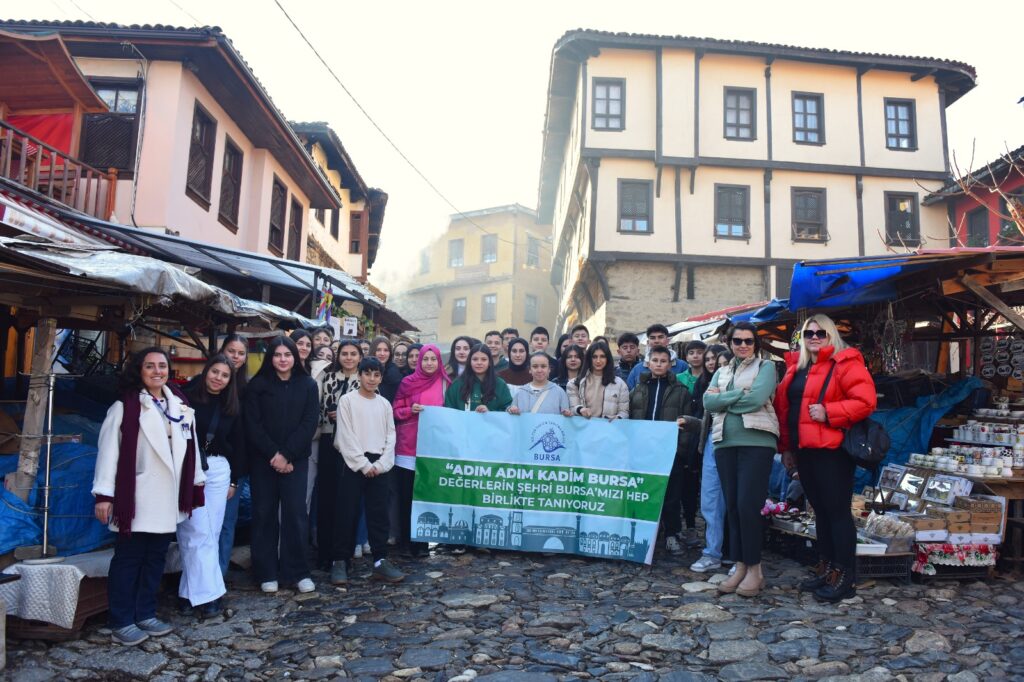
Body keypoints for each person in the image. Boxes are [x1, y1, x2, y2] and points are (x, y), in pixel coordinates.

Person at [93, 347, 205, 645]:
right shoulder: (126, 406)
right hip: (137, 496)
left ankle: (145, 613)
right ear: (139, 371)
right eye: (150, 366)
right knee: (129, 559)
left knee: (156, 558)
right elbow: (108, 453)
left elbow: (190, 449)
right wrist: (104, 494)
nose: (158, 371)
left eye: (162, 365)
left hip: (168, 496)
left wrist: (195, 486)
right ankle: (121, 620)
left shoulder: (179, 404)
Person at [774, 314, 877, 602]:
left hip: (832, 451)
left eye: (821, 333)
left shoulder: (845, 362)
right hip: (804, 450)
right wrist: (786, 448)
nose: (815, 337)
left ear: (831, 335)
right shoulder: (797, 367)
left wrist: (830, 412)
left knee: (837, 512)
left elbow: (866, 401)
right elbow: (785, 411)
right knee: (819, 511)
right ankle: (828, 569)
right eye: (809, 333)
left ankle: (845, 577)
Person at [704, 322, 779, 598]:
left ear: (755, 344)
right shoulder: (722, 371)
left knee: (749, 505)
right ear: (730, 343)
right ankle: (739, 566)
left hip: (756, 442)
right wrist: (736, 396)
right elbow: (707, 404)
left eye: (748, 341)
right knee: (733, 506)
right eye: (738, 341)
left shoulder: (766, 368)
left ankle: (755, 569)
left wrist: (724, 399)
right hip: (724, 442)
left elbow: (757, 399)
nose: (743, 345)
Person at [244, 336, 320, 594]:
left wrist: (286, 454)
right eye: (277, 355)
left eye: (287, 355)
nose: (283, 359)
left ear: (295, 357)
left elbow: (309, 423)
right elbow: (253, 425)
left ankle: (297, 571)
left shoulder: (308, 384)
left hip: (295, 461)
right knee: (264, 515)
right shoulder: (258, 385)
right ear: (270, 358)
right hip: (263, 461)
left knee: (296, 516)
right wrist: (274, 455)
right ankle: (266, 572)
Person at [180, 354, 245, 619]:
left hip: (218, 471)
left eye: (224, 375)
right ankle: (210, 595)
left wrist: (234, 480)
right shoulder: (186, 398)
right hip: (189, 469)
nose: (218, 378)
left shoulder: (232, 406)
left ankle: (188, 593)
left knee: (211, 532)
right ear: (207, 371)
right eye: (214, 372)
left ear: (230, 380)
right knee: (193, 532)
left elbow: (240, 446)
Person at [333, 357, 406, 584]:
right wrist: (363, 464)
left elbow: (390, 436)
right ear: (360, 375)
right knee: (347, 513)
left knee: (378, 515)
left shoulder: (384, 404)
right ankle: (340, 560)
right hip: (354, 462)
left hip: (379, 465)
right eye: (367, 374)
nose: (371, 379)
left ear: (381, 378)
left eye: (376, 375)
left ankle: (380, 561)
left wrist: (381, 464)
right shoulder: (347, 401)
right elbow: (345, 436)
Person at [628, 346, 701, 554]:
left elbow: (687, 424)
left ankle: (672, 534)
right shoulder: (638, 390)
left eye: (663, 361)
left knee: (671, 496)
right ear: (648, 362)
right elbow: (630, 416)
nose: (659, 364)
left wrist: (680, 451)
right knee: (643, 494)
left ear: (670, 364)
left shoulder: (680, 391)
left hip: (670, 453)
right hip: (642, 452)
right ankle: (642, 533)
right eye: (655, 360)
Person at [392, 344, 450, 557]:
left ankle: (423, 542)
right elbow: (395, 411)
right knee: (406, 497)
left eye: (433, 359)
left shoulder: (445, 384)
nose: (429, 363)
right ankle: (406, 542)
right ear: (418, 361)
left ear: (439, 361)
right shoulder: (407, 383)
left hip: (433, 450)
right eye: (425, 359)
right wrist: (410, 410)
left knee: (426, 495)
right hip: (408, 447)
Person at [315, 340, 366, 569]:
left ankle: (343, 553)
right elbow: (317, 407)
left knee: (348, 500)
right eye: (344, 353)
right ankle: (325, 553)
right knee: (327, 498)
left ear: (359, 356)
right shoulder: (327, 377)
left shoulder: (366, 379)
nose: (348, 357)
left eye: (353, 354)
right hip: (328, 440)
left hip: (354, 444)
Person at [690, 345, 732, 573]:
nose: (716, 365)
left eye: (722, 362)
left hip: (735, 440)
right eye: (714, 361)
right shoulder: (706, 385)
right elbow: (707, 416)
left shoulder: (742, 382)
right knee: (710, 500)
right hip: (711, 443)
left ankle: (738, 555)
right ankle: (712, 551)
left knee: (734, 501)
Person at [216, 334, 248, 576]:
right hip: (206, 465)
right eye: (231, 351)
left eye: (240, 352)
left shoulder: (248, 389)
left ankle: (219, 576)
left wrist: (237, 476)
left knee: (227, 523)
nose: (235, 356)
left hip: (235, 466)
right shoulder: (204, 385)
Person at [566, 341, 629, 420]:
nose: (598, 361)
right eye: (594, 357)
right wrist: (580, 410)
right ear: (589, 358)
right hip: (582, 428)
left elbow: (624, 412)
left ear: (608, 359)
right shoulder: (574, 384)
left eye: (602, 356)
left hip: (608, 429)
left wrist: (618, 418)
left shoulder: (620, 384)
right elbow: (573, 407)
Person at [444, 344, 513, 413]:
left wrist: (490, 412)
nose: (479, 363)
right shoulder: (457, 384)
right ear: (469, 361)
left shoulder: (500, 384)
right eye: (475, 359)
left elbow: (506, 409)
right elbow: (449, 411)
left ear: (489, 362)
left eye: (484, 359)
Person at [626, 324, 687, 389]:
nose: (656, 341)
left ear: (667, 341)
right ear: (648, 342)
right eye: (652, 338)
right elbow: (630, 394)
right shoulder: (637, 369)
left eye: (660, 337)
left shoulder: (682, 366)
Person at [370, 336, 404, 403]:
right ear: (373, 351)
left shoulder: (395, 375)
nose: (382, 354)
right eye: (378, 350)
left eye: (386, 350)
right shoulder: (364, 371)